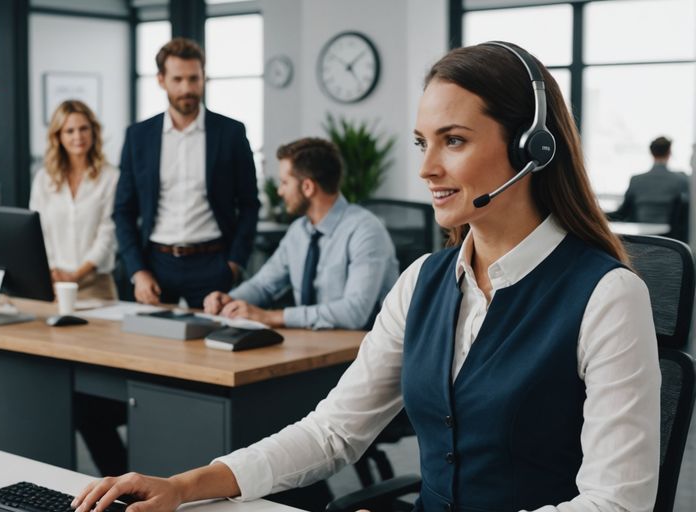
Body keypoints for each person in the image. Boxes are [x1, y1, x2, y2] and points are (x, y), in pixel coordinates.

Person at [73, 42, 660, 512]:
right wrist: (185, 486)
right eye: (421, 143)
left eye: (453, 141)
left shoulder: (606, 296)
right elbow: (332, 433)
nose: (427, 168)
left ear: (532, 148)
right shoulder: (423, 282)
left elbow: (617, 501)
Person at [114, 37, 260, 307]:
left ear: (204, 77)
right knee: (153, 346)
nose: (187, 89)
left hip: (213, 263)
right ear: (161, 80)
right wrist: (138, 271)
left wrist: (234, 263)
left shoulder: (231, 133)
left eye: (194, 79)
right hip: (155, 264)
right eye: (178, 80)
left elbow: (250, 204)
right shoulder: (138, 136)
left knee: (215, 345)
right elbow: (123, 210)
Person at [203, 137, 398, 330]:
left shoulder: (366, 231)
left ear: (307, 187)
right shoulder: (299, 231)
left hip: (359, 350)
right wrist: (230, 299)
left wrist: (271, 316)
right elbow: (264, 285)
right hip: (310, 344)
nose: (279, 191)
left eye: (285, 183)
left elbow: (354, 313)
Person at [30, 100, 119, 301]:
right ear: (58, 136)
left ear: (93, 132)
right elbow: (38, 232)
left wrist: (75, 276)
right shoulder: (44, 179)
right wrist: (54, 271)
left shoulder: (111, 177)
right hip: (53, 284)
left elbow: (108, 235)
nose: (78, 136)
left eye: (83, 129)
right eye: (69, 131)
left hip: (96, 285)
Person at [610, 136, 689, 224]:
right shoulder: (681, 180)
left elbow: (622, 213)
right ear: (669, 153)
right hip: (670, 236)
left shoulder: (636, 180)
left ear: (651, 152)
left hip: (642, 235)